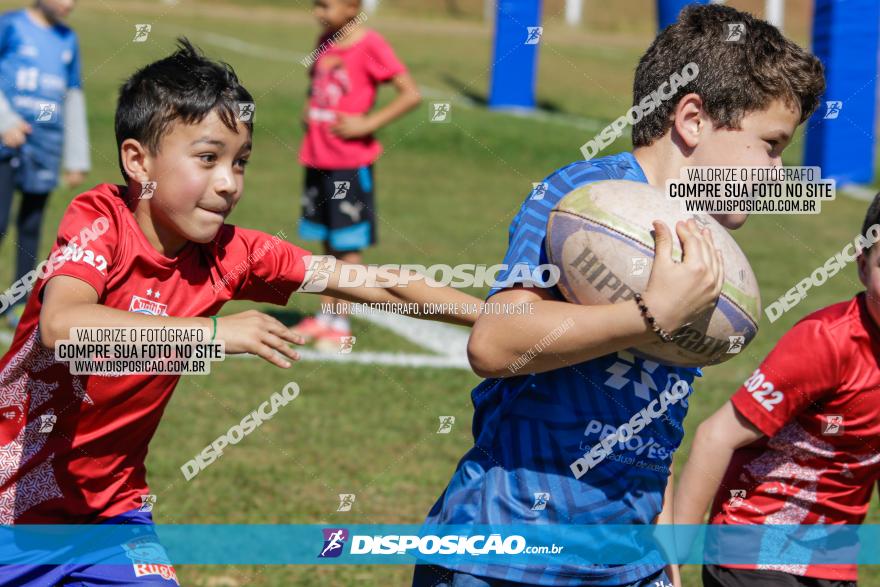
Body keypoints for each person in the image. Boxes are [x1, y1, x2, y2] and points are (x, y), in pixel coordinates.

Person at [0, 38, 475, 586]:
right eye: (208, 158)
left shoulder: (234, 253)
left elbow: (378, 284)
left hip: (111, 514)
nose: (229, 182)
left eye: (240, 162)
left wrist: (501, 320)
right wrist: (213, 335)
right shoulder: (101, 220)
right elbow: (66, 330)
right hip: (13, 509)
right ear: (139, 161)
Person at [412, 5, 825, 587]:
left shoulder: (702, 239)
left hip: (628, 558)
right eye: (771, 145)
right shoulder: (585, 201)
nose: (777, 173)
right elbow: (496, 342)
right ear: (693, 118)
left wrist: (662, 555)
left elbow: (657, 417)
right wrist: (649, 316)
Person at [672, 200, 880, 586]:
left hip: (831, 562)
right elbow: (716, 436)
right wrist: (674, 556)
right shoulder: (827, 342)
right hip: (755, 550)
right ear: (863, 264)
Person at [293, 0, 421, 349]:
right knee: (326, 240)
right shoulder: (325, 40)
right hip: (317, 159)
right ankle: (324, 317)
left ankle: (342, 323)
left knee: (348, 245)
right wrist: (310, 108)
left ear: (352, 7)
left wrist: (368, 123)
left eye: (324, 4)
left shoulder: (371, 46)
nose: (317, 11)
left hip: (349, 165)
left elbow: (410, 94)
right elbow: (316, 85)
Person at [0, 0, 90, 328]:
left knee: (31, 227)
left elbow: (73, 96)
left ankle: (18, 302)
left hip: (45, 146)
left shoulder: (68, 39)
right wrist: (5, 121)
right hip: (7, 143)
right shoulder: (9, 26)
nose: (70, 4)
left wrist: (76, 157)